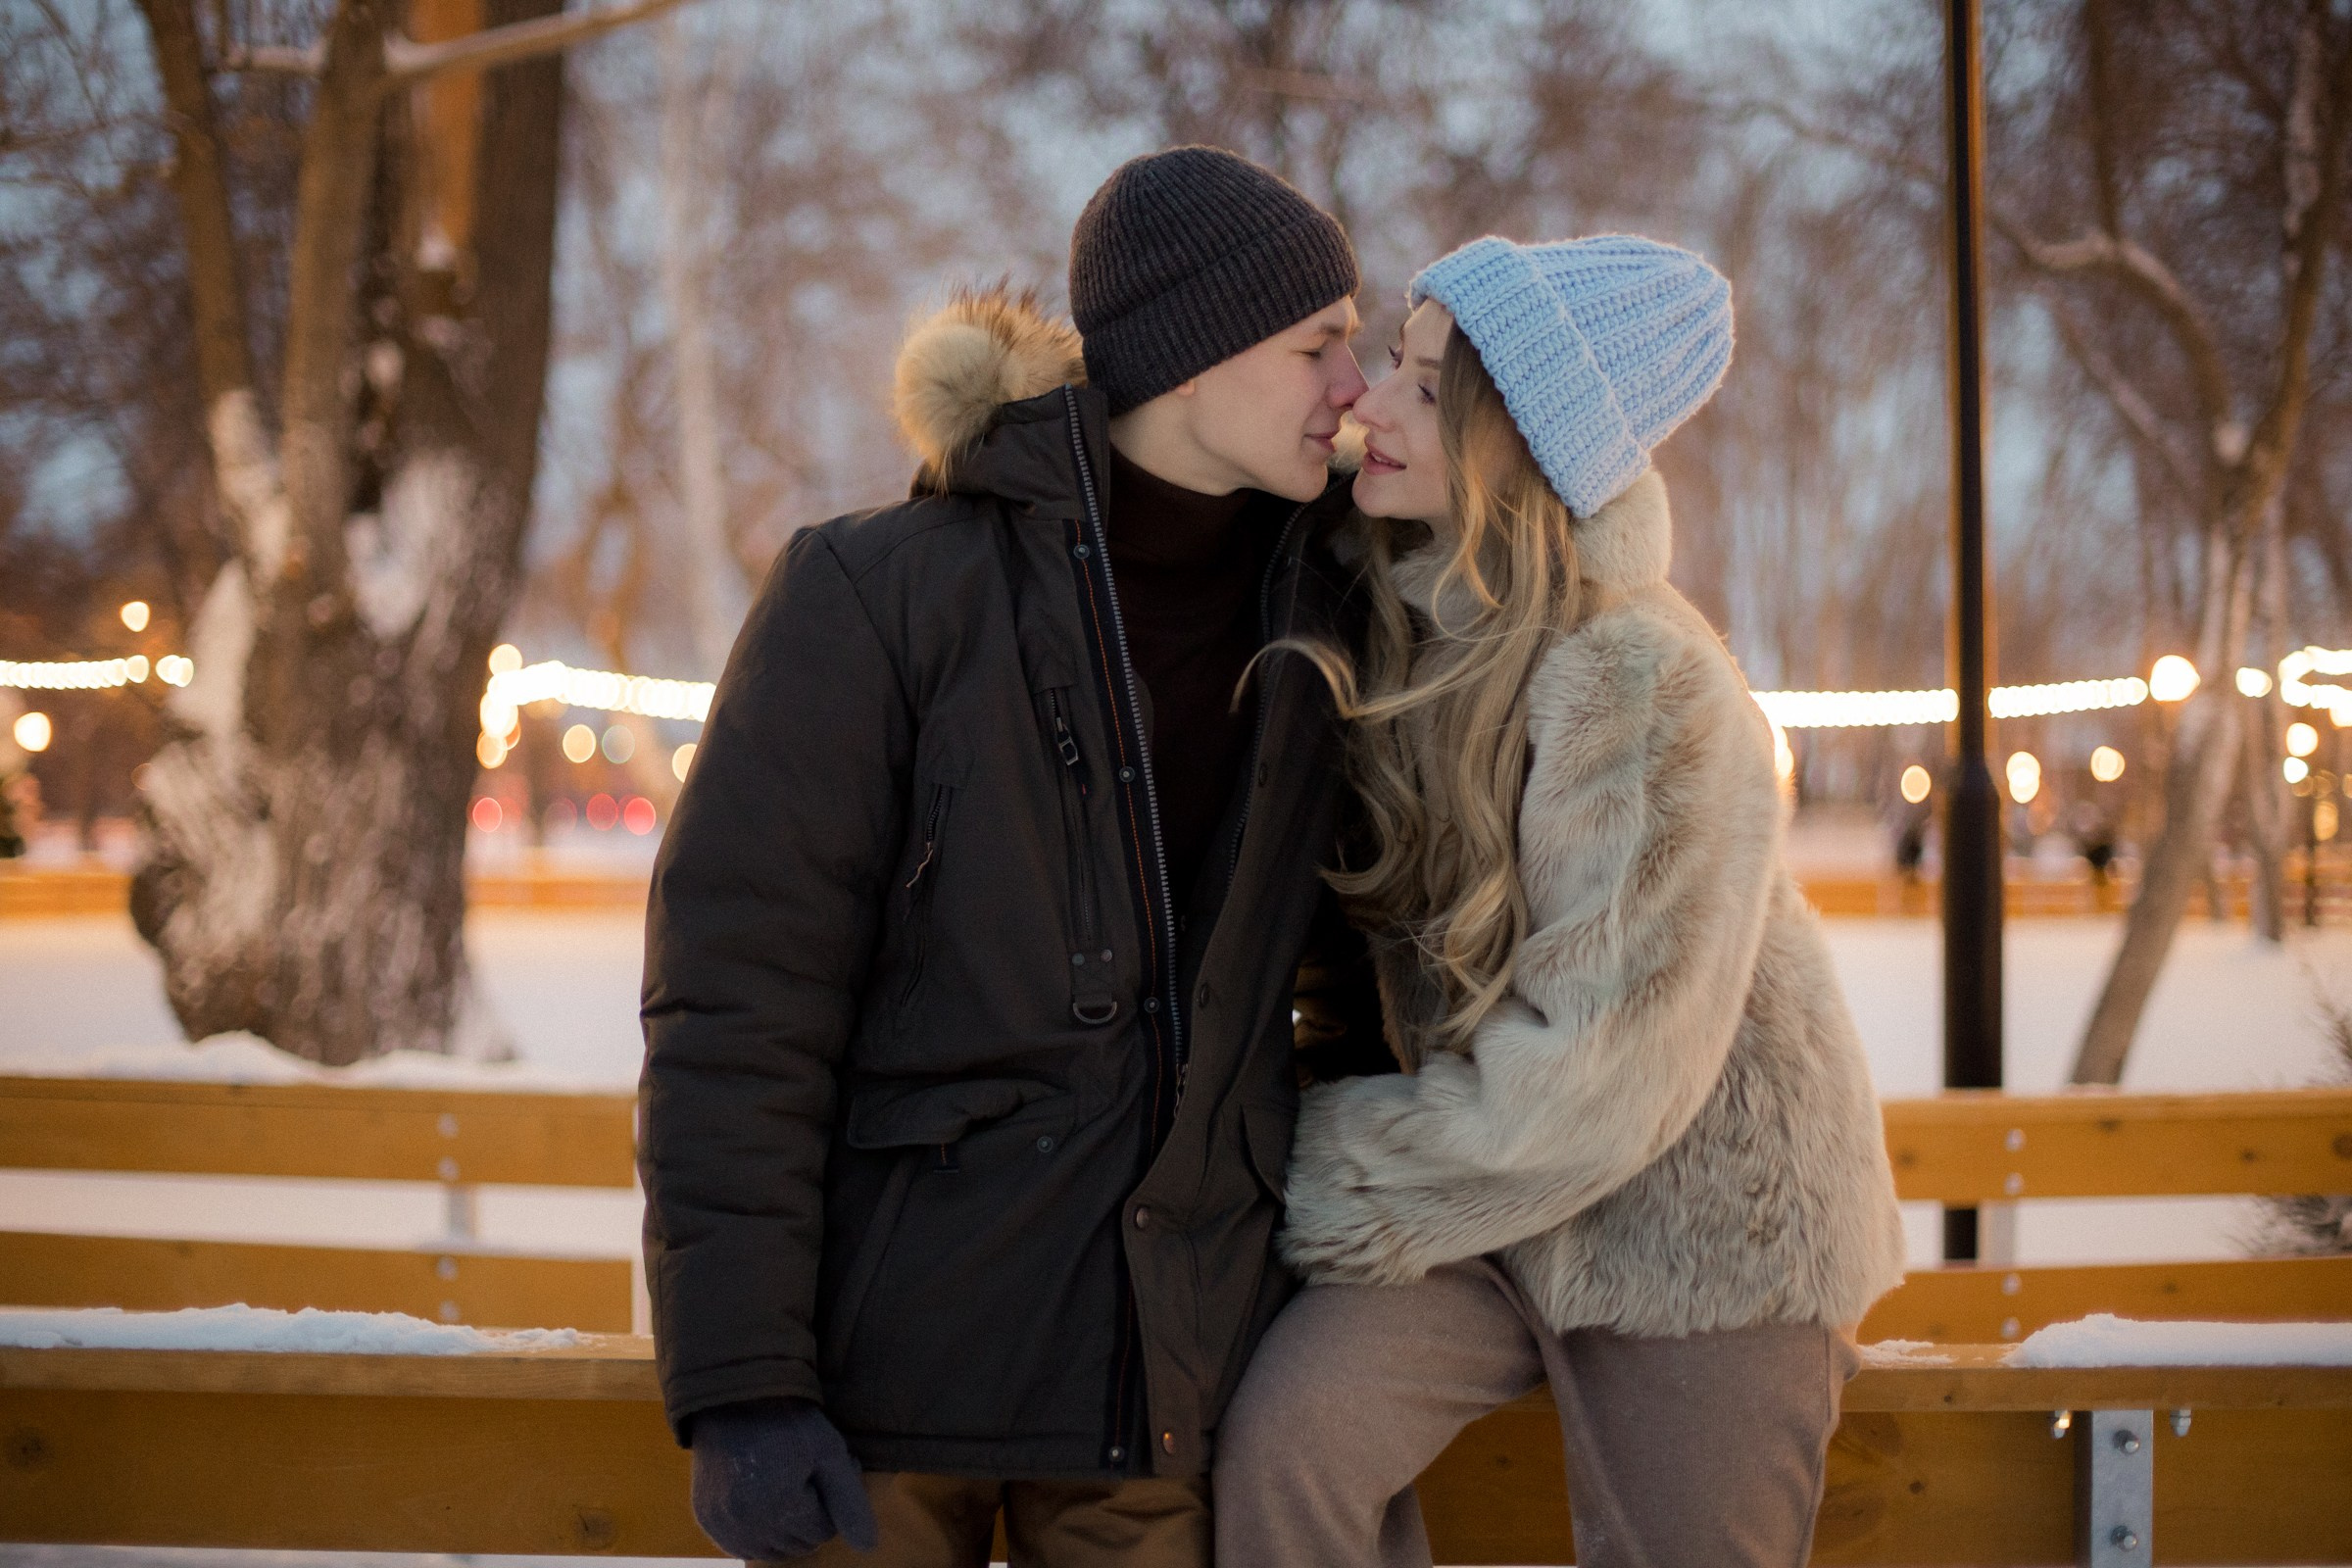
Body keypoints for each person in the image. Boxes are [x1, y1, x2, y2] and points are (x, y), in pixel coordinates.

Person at [638, 145, 1389, 1567]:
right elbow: (740, 1008)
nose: (1350, 385)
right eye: (1319, 345)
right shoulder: (876, 595)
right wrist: (743, 1385)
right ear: (1192, 359)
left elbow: (1368, 990)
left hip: (1160, 1398)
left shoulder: (1334, 621)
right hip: (885, 1397)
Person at [1212, 234, 1907, 1567]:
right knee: (1288, 1447)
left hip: (1708, 1230)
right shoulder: (1402, 622)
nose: (1369, 404)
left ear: (1519, 442)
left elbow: (1600, 1081)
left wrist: (1305, 1166)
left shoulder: (1637, 677)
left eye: (1423, 387)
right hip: (1487, 1206)